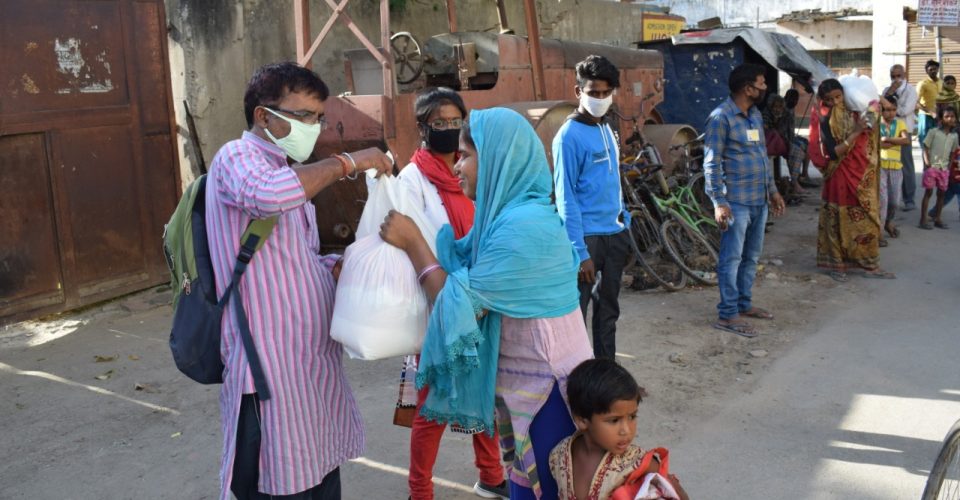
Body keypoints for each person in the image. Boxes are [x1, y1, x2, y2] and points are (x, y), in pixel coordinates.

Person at [380, 108, 593, 500]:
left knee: (544, 491)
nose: (457, 166)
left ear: (497, 159)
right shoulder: (506, 218)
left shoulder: (522, 229)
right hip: (526, 391)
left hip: (549, 395)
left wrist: (414, 243)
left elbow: (455, 303)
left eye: (466, 155)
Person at [206, 62, 392, 499]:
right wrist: (348, 161)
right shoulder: (237, 157)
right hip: (269, 368)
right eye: (303, 115)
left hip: (307, 363)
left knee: (319, 473)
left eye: (318, 117)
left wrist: (338, 266)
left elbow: (297, 259)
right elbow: (269, 196)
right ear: (263, 117)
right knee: (279, 479)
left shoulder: (286, 171)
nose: (313, 126)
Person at [397, 88, 507, 500]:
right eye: (438, 123)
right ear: (423, 129)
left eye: (455, 121)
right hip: (437, 299)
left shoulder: (470, 168)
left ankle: (491, 474)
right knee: (432, 403)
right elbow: (410, 241)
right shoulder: (412, 179)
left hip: (476, 296)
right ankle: (419, 490)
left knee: (484, 391)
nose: (448, 129)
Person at [553, 54, 630, 360]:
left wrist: (625, 222)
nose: (599, 98)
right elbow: (565, 197)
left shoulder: (608, 127)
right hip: (587, 241)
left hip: (615, 235)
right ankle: (574, 381)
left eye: (605, 93)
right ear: (578, 92)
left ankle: (607, 377)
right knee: (575, 317)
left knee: (608, 313)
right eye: (593, 92)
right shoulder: (568, 136)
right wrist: (579, 251)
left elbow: (613, 182)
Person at [703, 63, 786, 338]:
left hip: (758, 201)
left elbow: (762, 156)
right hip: (735, 202)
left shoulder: (755, 116)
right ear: (748, 88)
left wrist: (772, 191)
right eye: (762, 83)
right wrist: (718, 201)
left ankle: (743, 304)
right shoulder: (720, 118)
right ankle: (727, 314)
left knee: (751, 257)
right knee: (732, 258)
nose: (765, 88)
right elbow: (712, 164)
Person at [548, 359, 688, 500]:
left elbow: (677, 494)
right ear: (582, 420)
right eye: (614, 420)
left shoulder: (640, 462)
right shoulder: (559, 456)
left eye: (632, 416)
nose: (626, 430)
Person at [810, 78, 894, 282]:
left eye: (839, 96)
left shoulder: (856, 108)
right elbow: (834, 152)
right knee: (837, 220)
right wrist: (856, 131)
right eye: (830, 100)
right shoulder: (825, 117)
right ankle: (837, 264)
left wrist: (878, 98)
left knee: (869, 218)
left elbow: (881, 106)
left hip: (863, 173)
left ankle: (870, 263)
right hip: (839, 174)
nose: (835, 102)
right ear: (823, 100)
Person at [883, 64, 920, 211]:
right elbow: (881, 108)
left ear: (904, 75)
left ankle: (909, 199)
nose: (896, 79)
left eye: (899, 75)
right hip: (887, 130)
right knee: (886, 163)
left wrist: (891, 106)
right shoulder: (887, 90)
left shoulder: (910, 90)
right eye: (893, 76)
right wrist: (889, 93)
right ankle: (889, 197)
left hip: (903, 130)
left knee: (906, 164)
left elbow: (905, 110)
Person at [878, 94, 910, 245]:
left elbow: (906, 140)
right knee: (882, 201)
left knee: (895, 202)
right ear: (880, 110)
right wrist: (884, 142)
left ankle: (888, 222)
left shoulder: (900, 124)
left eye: (893, 109)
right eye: (886, 109)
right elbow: (874, 143)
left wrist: (887, 139)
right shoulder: (876, 123)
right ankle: (879, 234)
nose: (889, 113)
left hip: (896, 168)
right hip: (880, 167)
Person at [919, 106, 958, 230]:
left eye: (952, 116)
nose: (950, 119)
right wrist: (927, 163)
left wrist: (949, 166)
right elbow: (926, 146)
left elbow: (953, 152)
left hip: (944, 169)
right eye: (946, 116)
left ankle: (938, 218)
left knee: (941, 194)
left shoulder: (954, 136)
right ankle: (923, 219)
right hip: (932, 167)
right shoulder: (933, 132)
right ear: (941, 118)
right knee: (928, 192)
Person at [917, 60, 942, 158]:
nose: (933, 71)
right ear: (926, 71)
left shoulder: (941, 83)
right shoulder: (922, 83)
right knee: (925, 145)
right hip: (925, 117)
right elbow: (916, 102)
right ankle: (926, 170)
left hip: (939, 117)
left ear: (938, 70)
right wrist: (930, 112)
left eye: (935, 69)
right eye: (931, 69)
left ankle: (936, 171)